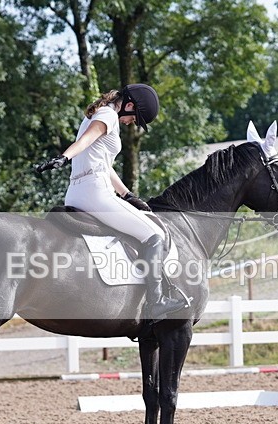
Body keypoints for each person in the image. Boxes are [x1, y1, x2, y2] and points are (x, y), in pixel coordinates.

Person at [36, 83, 187, 320]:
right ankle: (156, 302)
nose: (132, 123)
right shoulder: (108, 116)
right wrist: (63, 157)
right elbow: (85, 141)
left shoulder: (99, 113)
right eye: (134, 118)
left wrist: (128, 195)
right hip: (96, 193)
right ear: (129, 105)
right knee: (154, 235)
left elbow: (105, 165)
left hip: (77, 192)